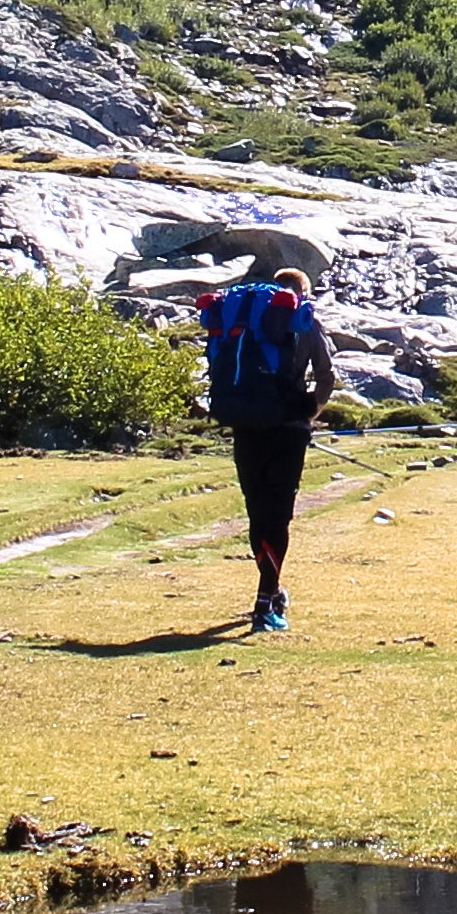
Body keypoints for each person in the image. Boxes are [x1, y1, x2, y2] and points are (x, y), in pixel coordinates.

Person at [191, 253, 336, 634]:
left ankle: (269, 592)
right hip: (288, 427)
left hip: (245, 424)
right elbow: (325, 376)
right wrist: (311, 412)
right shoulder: (305, 321)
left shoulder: (241, 320)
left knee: (257, 510)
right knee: (279, 512)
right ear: (302, 292)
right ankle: (266, 602)